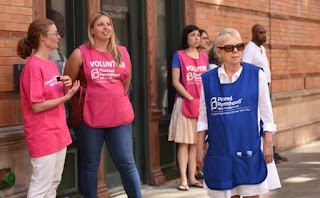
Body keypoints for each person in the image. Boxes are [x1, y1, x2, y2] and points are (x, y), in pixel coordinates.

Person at [63, 11, 142, 198]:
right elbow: (68, 85)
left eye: (108, 24)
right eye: (100, 24)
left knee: (126, 162)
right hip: (89, 116)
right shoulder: (79, 53)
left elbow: (125, 83)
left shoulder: (122, 53)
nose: (106, 27)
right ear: (92, 30)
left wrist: (111, 97)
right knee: (90, 165)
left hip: (119, 115)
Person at [196, 28, 281, 198]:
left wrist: (268, 142)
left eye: (239, 46)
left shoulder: (256, 75)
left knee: (251, 193)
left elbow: (266, 114)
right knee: (228, 194)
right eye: (229, 47)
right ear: (219, 52)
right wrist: (199, 149)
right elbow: (203, 119)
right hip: (221, 149)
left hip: (249, 147)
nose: (235, 51)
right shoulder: (208, 80)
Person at [17, 19, 80, 198]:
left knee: (53, 184)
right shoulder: (33, 67)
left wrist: (66, 85)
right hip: (42, 135)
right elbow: (37, 106)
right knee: (40, 187)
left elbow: (55, 94)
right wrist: (65, 97)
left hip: (58, 132)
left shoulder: (51, 64)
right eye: (55, 33)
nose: (59, 37)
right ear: (43, 37)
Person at [168, 25, 208, 191]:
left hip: (201, 105)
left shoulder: (204, 57)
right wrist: (190, 97)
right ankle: (183, 179)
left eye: (198, 35)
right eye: (193, 35)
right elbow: (175, 81)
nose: (196, 38)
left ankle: (192, 177)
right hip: (184, 103)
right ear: (186, 38)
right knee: (184, 143)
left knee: (194, 143)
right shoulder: (179, 56)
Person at [242, 24, 288, 163]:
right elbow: (245, 70)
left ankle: (272, 150)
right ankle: (265, 151)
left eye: (265, 32)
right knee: (262, 120)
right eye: (261, 33)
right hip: (257, 90)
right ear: (253, 33)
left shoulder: (261, 48)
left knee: (268, 120)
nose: (264, 35)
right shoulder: (250, 49)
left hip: (266, 87)